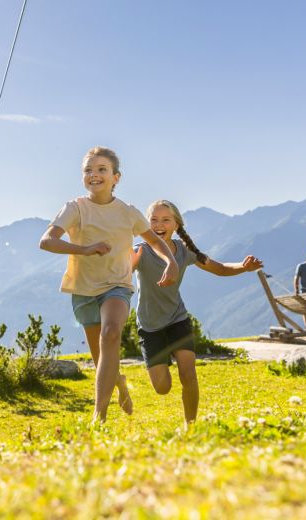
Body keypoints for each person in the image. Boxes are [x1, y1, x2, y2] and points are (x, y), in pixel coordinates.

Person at [39, 147, 178, 423]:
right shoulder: (74, 208)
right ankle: (119, 383)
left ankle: (98, 416)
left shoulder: (128, 212)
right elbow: (47, 241)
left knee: (111, 333)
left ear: (116, 177)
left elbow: (154, 241)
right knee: (102, 357)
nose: (94, 174)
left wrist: (171, 262)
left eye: (102, 169)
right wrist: (85, 249)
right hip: (83, 290)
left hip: (117, 285)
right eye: (88, 170)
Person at [132, 200, 263, 426]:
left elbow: (219, 268)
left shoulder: (184, 251)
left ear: (176, 225)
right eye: (153, 219)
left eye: (166, 220)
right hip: (150, 326)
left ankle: (190, 426)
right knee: (162, 387)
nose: (159, 224)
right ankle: (162, 365)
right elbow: (122, 270)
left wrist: (244, 267)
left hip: (177, 319)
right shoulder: (140, 251)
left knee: (188, 373)